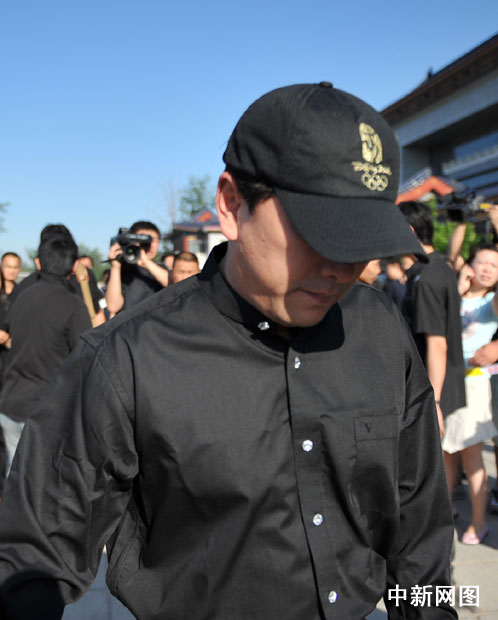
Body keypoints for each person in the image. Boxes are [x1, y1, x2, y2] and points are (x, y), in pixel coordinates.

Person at [0, 83, 457, 619]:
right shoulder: (126, 359)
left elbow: (421, 531)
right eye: (319, 233)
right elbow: (34, 558)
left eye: (360, 241)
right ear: (232, 204)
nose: (340, 268)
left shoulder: (380, 330)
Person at [0, 234, 92, 473]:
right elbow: (85, 358)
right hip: (47, 412)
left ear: (39, 262)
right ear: (74, 265)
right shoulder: (73, 305)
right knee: (43, 482)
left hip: (12, 402)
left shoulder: (22, 296)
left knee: (15, 478)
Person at [441, 245, 498, 543]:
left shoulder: (491, 302)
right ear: (469, 265)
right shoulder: (454, 294)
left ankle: (478, 521)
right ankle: (445, 509)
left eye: (495, 265)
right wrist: (457, 289)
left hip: (473, 384)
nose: (488, 269)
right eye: (483, 262)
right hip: (446, 382)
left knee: (472, 456)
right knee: (446, 453)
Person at [399, 201, 466, 437]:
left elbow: (437, 343)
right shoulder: (438, 267)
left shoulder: (427, 277)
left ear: (408, 230)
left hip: (433, 391)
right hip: (444, 385)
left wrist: (434, 401)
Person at [105, 221, 169, 317]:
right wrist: (115, 267)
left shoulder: (162, 269)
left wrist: (146, 263)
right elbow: (113, 307)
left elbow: (172, 284)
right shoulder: (122, 271)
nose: (149, 244)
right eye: (142, 238)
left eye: (153, 240)